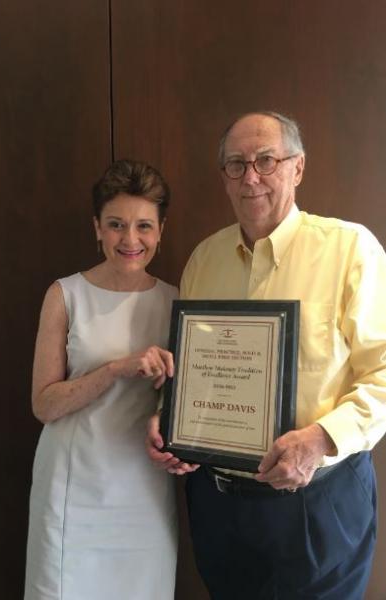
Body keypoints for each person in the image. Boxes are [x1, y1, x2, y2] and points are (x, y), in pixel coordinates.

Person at [147, 111, 386, 599]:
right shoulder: (202, 260)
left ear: (297, 168)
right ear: (223, 178)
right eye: (236, 164)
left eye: (266, 160)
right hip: (217, 508)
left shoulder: (350, 250)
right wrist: (168, 421)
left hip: (318, 503)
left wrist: (320, 439)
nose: (250, 176)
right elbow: (193, 372)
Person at [24, 160, 178, 600]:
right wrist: (114, 369)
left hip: (145, 492)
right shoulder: (64, 294)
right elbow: (44, 404)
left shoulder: (177, 300)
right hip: (73, 490)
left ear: (161, 230)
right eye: (116, 225)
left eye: (144, 226)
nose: (131, 240)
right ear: (97, 228)